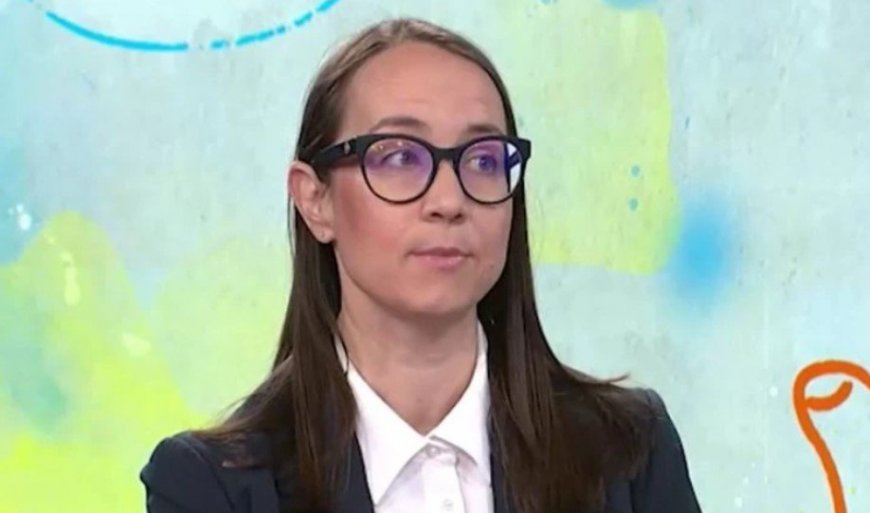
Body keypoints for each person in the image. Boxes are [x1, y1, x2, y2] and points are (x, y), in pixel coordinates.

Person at [140, 17, 701, 513]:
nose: (449, 200)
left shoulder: (629, 451)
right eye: (400, 157)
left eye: (483, 160)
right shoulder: (213, 487)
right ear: (315, 200)